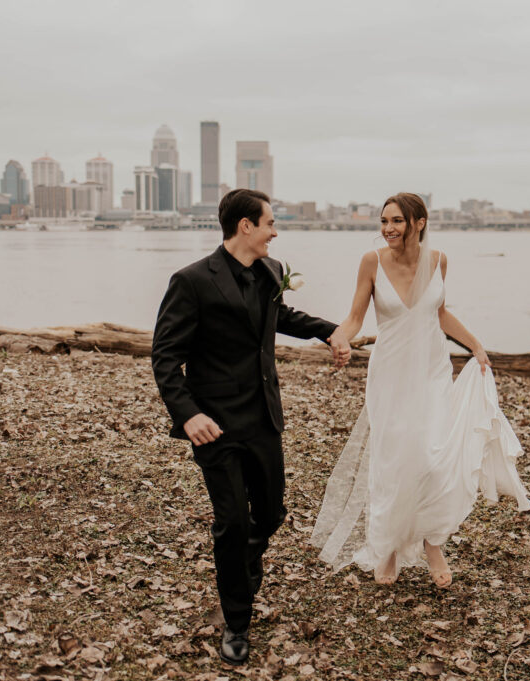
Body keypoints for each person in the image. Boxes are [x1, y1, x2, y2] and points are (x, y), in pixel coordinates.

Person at [152, 189, 351, 666]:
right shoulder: (192, 280)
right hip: (214, 426)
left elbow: (278, 316)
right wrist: (188, 413)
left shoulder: (272, 272)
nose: (275, 231)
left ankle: (242, 564)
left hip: (263, 417)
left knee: (270, 514)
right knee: (232, 522)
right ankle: (237, 622)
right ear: (245, 226)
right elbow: (165, 356)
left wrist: (329, 330)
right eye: (269, 222)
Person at [310, 192, 530, 587]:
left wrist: (476, 346)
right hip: (390, 375)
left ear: (419, 222)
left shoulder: (438, 260)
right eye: (383, 222)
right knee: (394, 458)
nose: (388, 229)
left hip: (432, 371)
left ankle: (432, 543)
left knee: (431, 457)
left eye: (396, 221)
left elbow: (440, 313)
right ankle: (388, 546)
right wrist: (338, 339)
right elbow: (356, 317)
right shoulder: (371, 262)